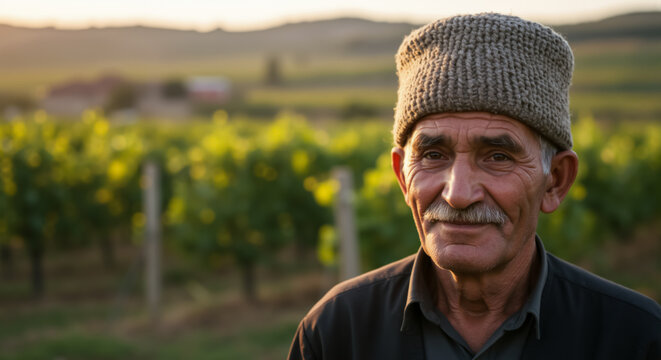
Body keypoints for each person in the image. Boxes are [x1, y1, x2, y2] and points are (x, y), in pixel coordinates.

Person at [287, 13, 661, 360]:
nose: (458, 193)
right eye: (433, 155)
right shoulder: (336, 332)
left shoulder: (636, 338)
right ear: (402, 175)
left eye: (498, 157)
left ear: (555, 182)